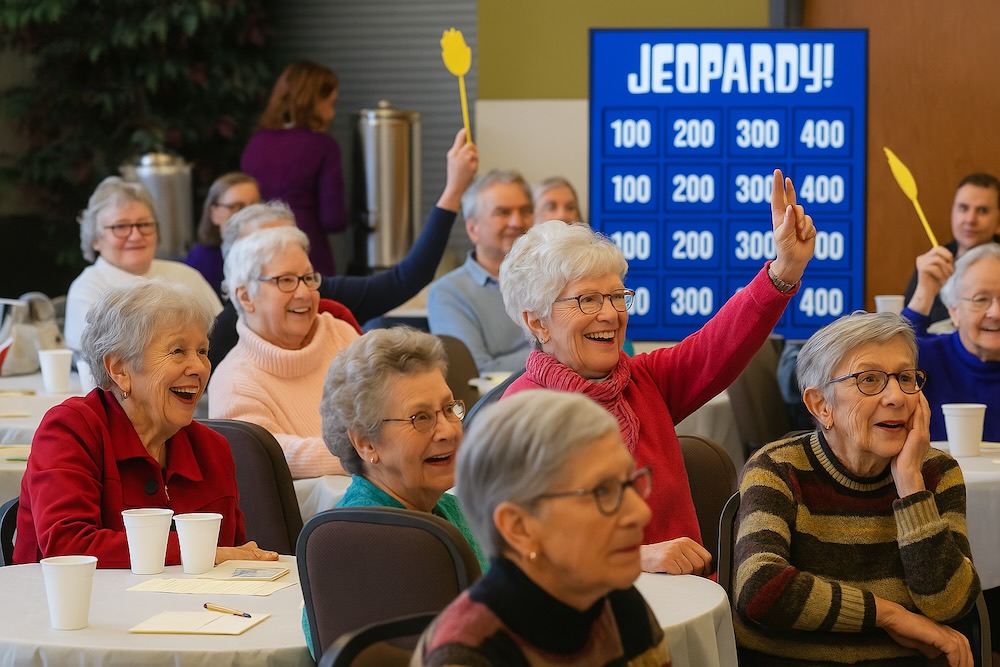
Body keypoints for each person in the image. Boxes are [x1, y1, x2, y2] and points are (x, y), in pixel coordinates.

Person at [499, 169, 815, 574]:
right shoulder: (520, 412)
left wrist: (785, 269)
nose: (611, 314)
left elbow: (717, 346)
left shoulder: (643, 381)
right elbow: (523, 546)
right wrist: (632, 557)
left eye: (617, 296)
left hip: (689, 602)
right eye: (588, 300)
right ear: (537, 322)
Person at [733, 311, 979, 666]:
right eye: (869, 380)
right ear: (821, 405)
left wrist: (911, 487)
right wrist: (891, 616)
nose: (896, 396)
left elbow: (950, 604)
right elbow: (760, 589)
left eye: (906, 377)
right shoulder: (778, 467)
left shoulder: (936, 472)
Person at [14, 281, 278, 568]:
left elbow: (230, 554)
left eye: (202, 351)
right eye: (178, 351)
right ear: (119, 369)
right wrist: (199, 551)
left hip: (191, 610)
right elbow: (68, 546)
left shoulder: (211, 449)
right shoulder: (71, 429)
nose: (199, 367)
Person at [412, 389, 671, 665]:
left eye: (630, 482)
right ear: (519, 528)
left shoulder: (617, 604)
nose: (640, 512)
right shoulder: (467, 656)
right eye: (603, 491)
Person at [209, 128, 477, 369]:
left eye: (292, 243)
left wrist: (453, 192)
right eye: (281, 276)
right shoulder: (226, 352)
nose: (301, 292)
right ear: (242, 288)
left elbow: (405, 279)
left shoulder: (325, 310)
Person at [208, 225, 359, 478]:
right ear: (245, 297)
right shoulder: (233, 382)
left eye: (308, 278)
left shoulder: (340, 334)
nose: (304, 293)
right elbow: (270, 453)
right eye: (285, 280)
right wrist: (371, 455)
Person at [64, 177, 223, 351]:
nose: (136, 236)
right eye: (120, 227)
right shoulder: (88, 289)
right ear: (95, 239)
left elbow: (222, 334)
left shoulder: (186, 276)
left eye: (144, 224)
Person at [241, 60, 347, 276]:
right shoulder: (323, 145)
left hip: (260, 253)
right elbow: (333, 218)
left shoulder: (255, 143)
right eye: (330, 103)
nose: (332, 113)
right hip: (308, 253)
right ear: (313, 102)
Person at [428, 170, 535, 373]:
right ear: (472, 229)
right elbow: (476, 370)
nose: (517, 222)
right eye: (503, 213)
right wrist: (559, 351)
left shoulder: (556, 280)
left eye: (525, 211)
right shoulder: (449, 293)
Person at [903, 243, 1000, 441]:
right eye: (981, 299)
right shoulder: (925, 358)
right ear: (954, 311)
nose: (995, 313)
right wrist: (924, 292)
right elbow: (888, 349)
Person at [903, 172, 1000, 326]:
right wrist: (924, 293)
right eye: (963, 208)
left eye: (982, 211)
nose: (970, 219)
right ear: (953, 213)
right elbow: (908, 336)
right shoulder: (931, 265)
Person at [183, 172, 261, 295]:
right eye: (237, 207)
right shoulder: (201, 264)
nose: (249, 214)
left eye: (255, 206)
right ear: (214, 214)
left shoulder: (269, 254)